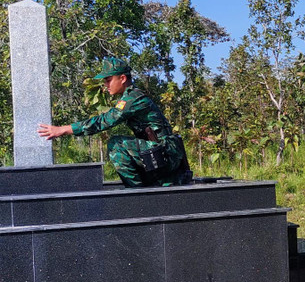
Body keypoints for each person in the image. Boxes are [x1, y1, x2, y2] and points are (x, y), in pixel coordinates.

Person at [38, 57, 191, 187]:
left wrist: (63, 129)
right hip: (160, 152)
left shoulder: (133, 98)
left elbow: (104, 121)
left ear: (122, 78)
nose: (106, 85)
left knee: (116, 144)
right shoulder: (130, 97)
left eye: (108, 80)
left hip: (166, 153)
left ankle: (136, 193)